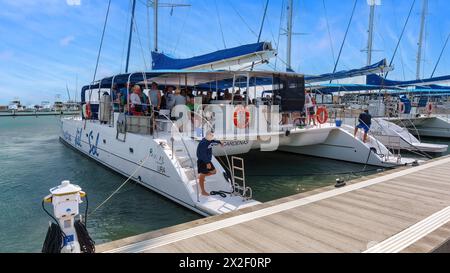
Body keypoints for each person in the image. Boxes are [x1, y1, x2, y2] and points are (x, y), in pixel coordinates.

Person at [196, 131, 223, 196]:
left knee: (214, 171)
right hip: (202, 161)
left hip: (207, 160)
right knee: (202, 175)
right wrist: (207, 163)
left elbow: (213, 141)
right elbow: (201, 155)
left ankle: (201, 176)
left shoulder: (209, 140)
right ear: (208, 136)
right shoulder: (203, 143)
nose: (212, 137)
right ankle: (203, 191)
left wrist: (220, 142)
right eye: (211, 136)